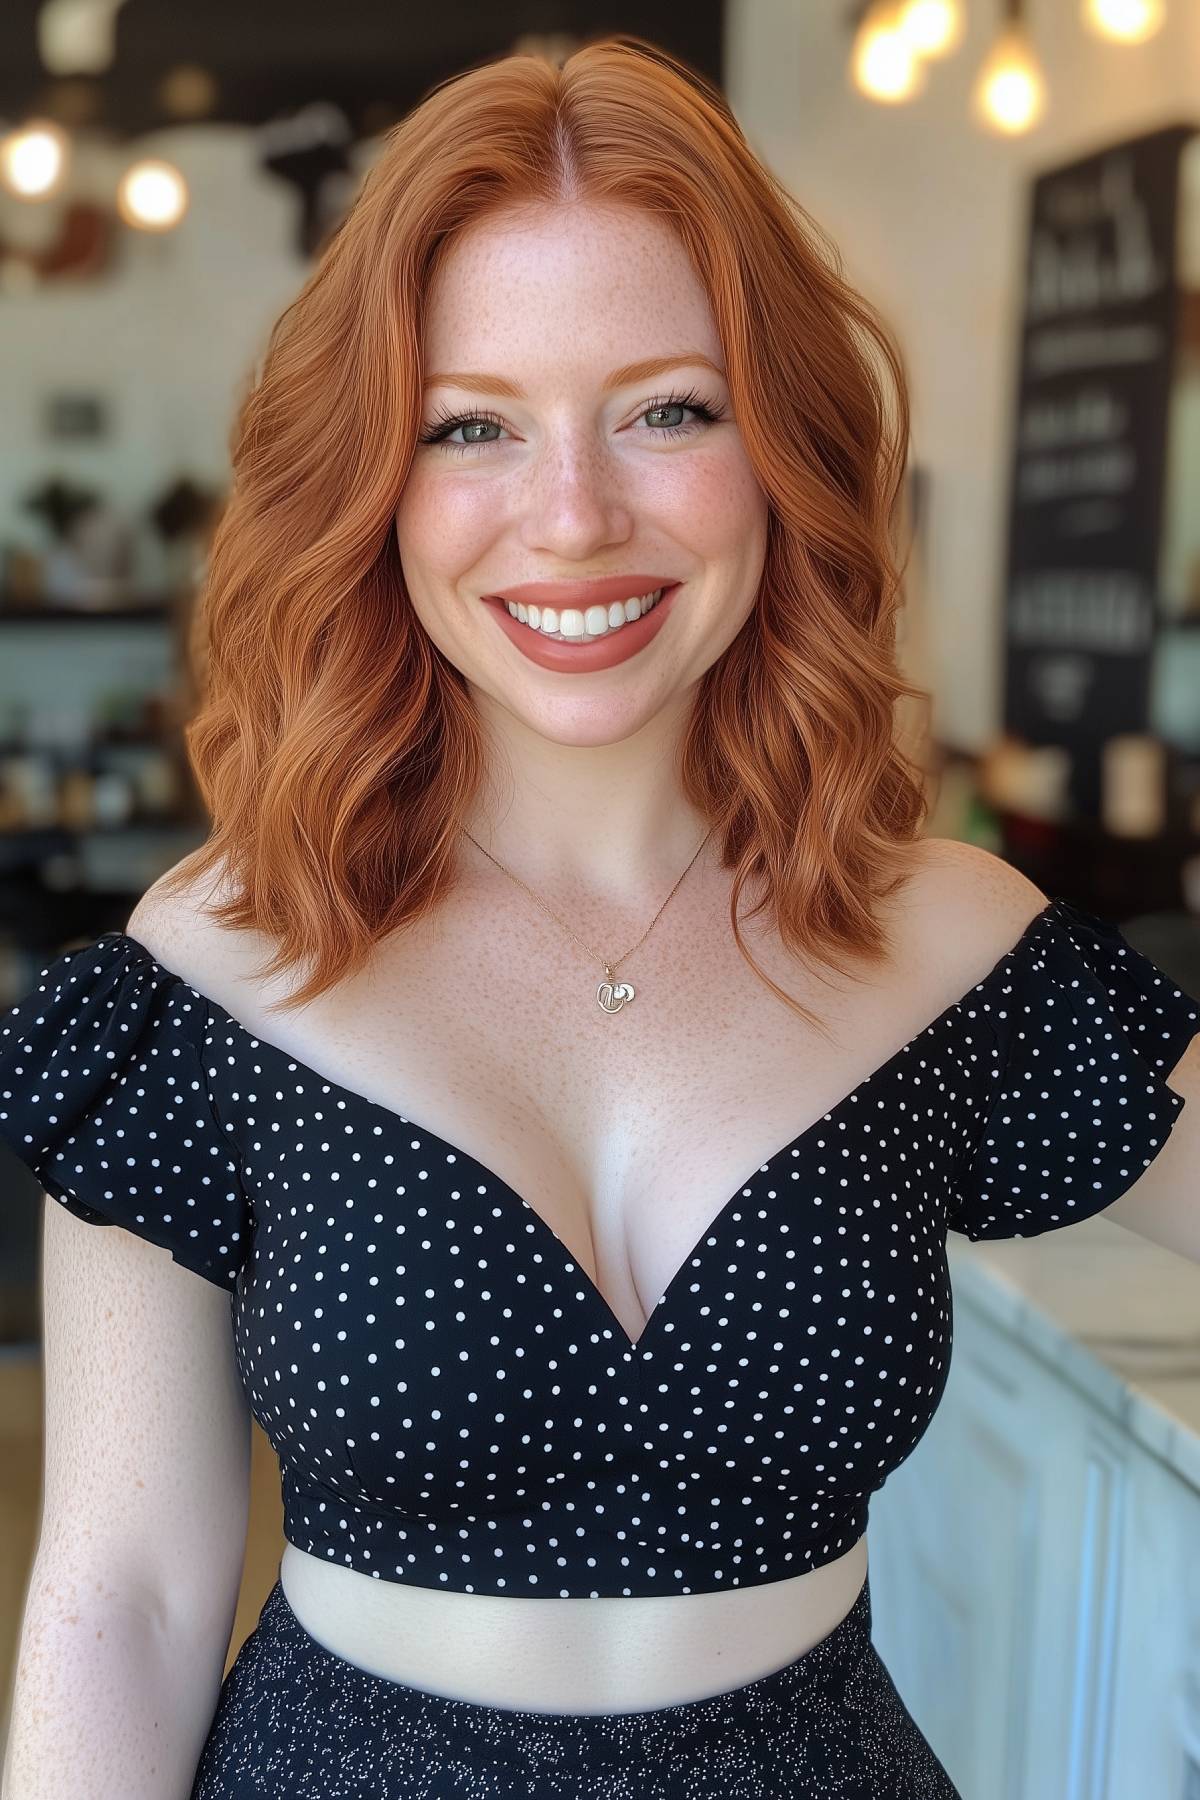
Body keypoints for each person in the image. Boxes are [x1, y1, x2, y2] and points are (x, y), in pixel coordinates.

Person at [2, 33, 1198, 1800]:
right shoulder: (207, 983)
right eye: (470, 425)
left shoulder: (958, 952)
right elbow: (127, 1597)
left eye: (668, 408)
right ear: (372, 486)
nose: (572, 517)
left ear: (779, 446)